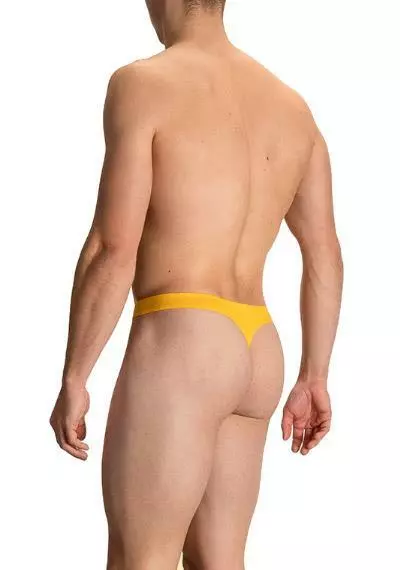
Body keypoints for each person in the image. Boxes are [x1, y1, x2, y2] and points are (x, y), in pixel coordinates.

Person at [50, 1, 344, 569]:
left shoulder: (143, 84)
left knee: (141, 559)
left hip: (184, 338)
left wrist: (76, 374)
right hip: (259, 349)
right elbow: (325, 254)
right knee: (221, 561)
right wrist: (315, 376)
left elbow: (112, 247)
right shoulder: (291, 107)